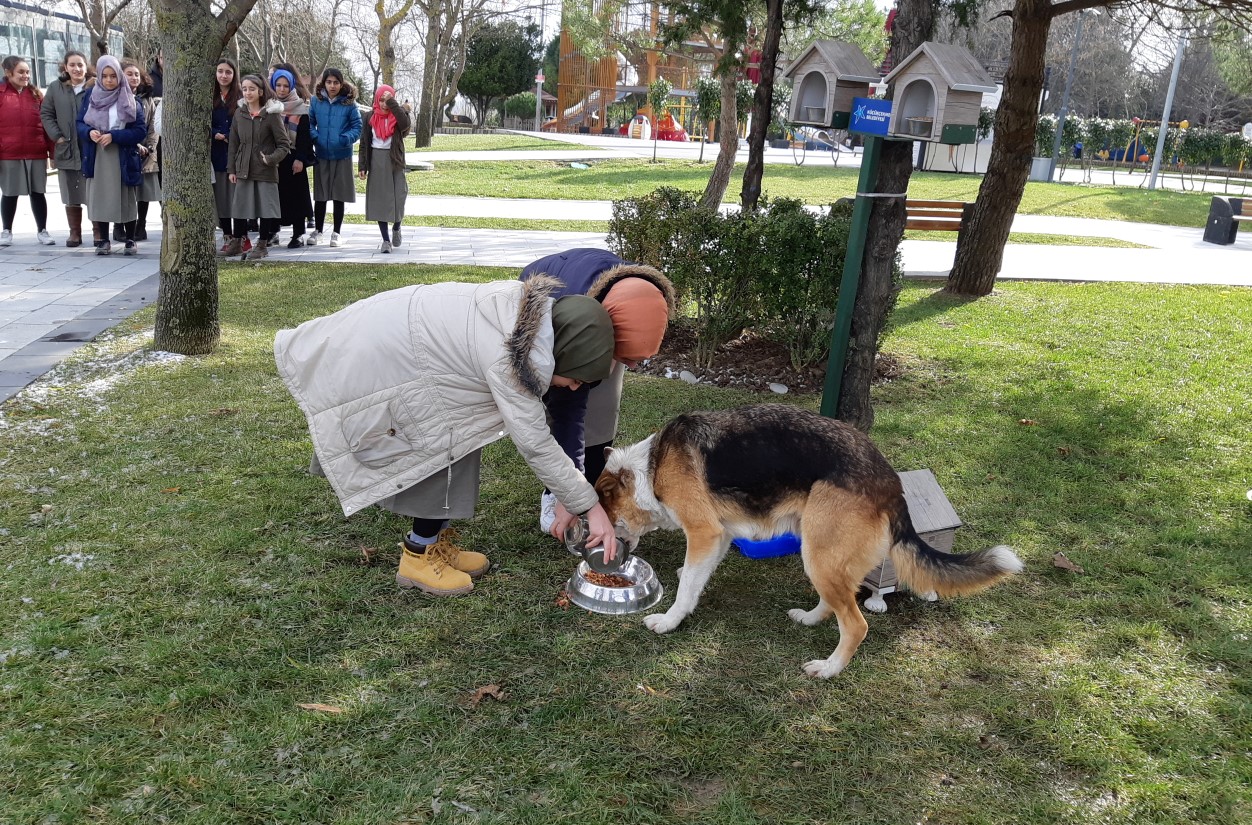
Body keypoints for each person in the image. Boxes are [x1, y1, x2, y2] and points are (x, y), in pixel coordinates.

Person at [273, 276, 619, 597]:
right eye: (576, 377)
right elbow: (536, 444)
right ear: (564, 353)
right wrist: (590, 507)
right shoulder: (510, 359)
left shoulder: (526, 319)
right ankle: (418, 557)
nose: (575, 387)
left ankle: (434, 542)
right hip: (384, 361)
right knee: (438, 455)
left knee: (459, 442)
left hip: (398, 347)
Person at [518, 249, 675, 539]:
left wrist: (623, 355)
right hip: (550, 297)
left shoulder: (642, 299)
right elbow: (569, 414)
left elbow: (624, 357)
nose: (631, 366)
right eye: (625, 357)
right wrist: (569, 495)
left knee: (602, 408)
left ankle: (592, 477)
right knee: (567, 400)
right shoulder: (572, 325)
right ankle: (556, 492)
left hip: (608, 309)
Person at [76, 55, 145, 256]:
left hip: (121, 153)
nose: (108, 80)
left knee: (126, 197)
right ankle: (103, 240)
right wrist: (89, 133)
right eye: (104, 76)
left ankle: (130, 239)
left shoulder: (130, 99)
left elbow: (139, 130)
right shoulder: (90, 96)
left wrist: (114, 136)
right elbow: (79, 123)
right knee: (101, 196)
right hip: (97, 154)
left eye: (113, 76)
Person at [222, 74, 290, 260]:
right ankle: (237, 242)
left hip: (265, 169)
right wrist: (231, 169)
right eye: (244, 89)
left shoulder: (271, 115)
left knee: (265, 207)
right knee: (240, 206)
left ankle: (262, 244)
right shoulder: (239, 113)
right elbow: (233, 144)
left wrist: (270, 159)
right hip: (243, 167)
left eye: (252, 89)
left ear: (260, 91)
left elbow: (284, 145)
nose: (248, 92)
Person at [0, 56, 56, 247]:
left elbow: (47, 125)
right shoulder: (1, 94)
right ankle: (6, 230)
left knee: (38, 192)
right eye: (21, 72)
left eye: (27, 72)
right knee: (9, 193)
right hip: (8, 154)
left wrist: (52, 153)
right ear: (8, 73)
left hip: (36, 152)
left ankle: (42, 230)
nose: (25, 76)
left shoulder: (36, 95)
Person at [40, 50, 93, 247]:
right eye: (72, 65)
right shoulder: (56, 88)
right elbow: (46, 114)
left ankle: (98, 232)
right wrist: (57, 137)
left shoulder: (94, 86)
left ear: (86, 66)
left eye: (80, 64)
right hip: (66, 147)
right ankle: (75, 233)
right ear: (66, 67)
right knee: (70, 191)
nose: (77, 69)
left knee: (93, 191)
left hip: (89, 146)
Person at [306, 68, 359, 247]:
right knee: (320, 195)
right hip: (322, 154)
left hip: (342, 155)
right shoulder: (315, 101)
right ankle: (318, 231)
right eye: (329, 82)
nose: (332, 86)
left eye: (336, 82)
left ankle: (336, 232)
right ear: (324, 83)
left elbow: (357, 127)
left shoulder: (349, 104)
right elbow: (310, 123)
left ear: (341, 83)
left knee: (339, 195)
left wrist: (345, 139)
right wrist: (315, 137)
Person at [358, 84, 410, 253]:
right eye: (380, 100)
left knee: (399, 196)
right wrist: (363, 166)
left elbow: (405, 125)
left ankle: (397, 227)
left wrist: (393, 104)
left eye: (387, 100)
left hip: (395, 160)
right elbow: (364, 143)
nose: (383, 104)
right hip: (377, 160)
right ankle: (386, 240)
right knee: (380, 201)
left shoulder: (398, 116)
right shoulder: (368, 117)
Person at [268, 63, 313, 248]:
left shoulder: (301, 108)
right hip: (274, 158)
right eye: (278, 85)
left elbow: (304, 137)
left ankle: (298, 234)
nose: (281, 89)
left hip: (293, 157)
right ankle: (272, 232)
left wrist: (300, 159)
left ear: (292, 86)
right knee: (273, 197)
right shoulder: (268, 107)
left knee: (297, 197)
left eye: (286, 85)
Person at [120, 59, 160, 241]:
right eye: (129, 74)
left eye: (137, 74)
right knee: (123, 189)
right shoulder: (116, 98)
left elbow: (153, 126)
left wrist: (150, 147)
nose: (134, 77)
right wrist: (135, 144)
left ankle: (140, 225)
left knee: (143, 190)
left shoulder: (147, 99)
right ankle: (119, 225)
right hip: (125, 148)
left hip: (147, 151)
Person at [211, 58, 244, 253]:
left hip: (237, 154)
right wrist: (214, 133)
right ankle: (227, 235)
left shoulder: (240, 96)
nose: (224, 75)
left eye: (228, 72)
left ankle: (241, 236)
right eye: (220, 71)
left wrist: (231, 135)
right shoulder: (209, 95)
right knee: (221, 198)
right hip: (215, 153)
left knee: (236, 197)